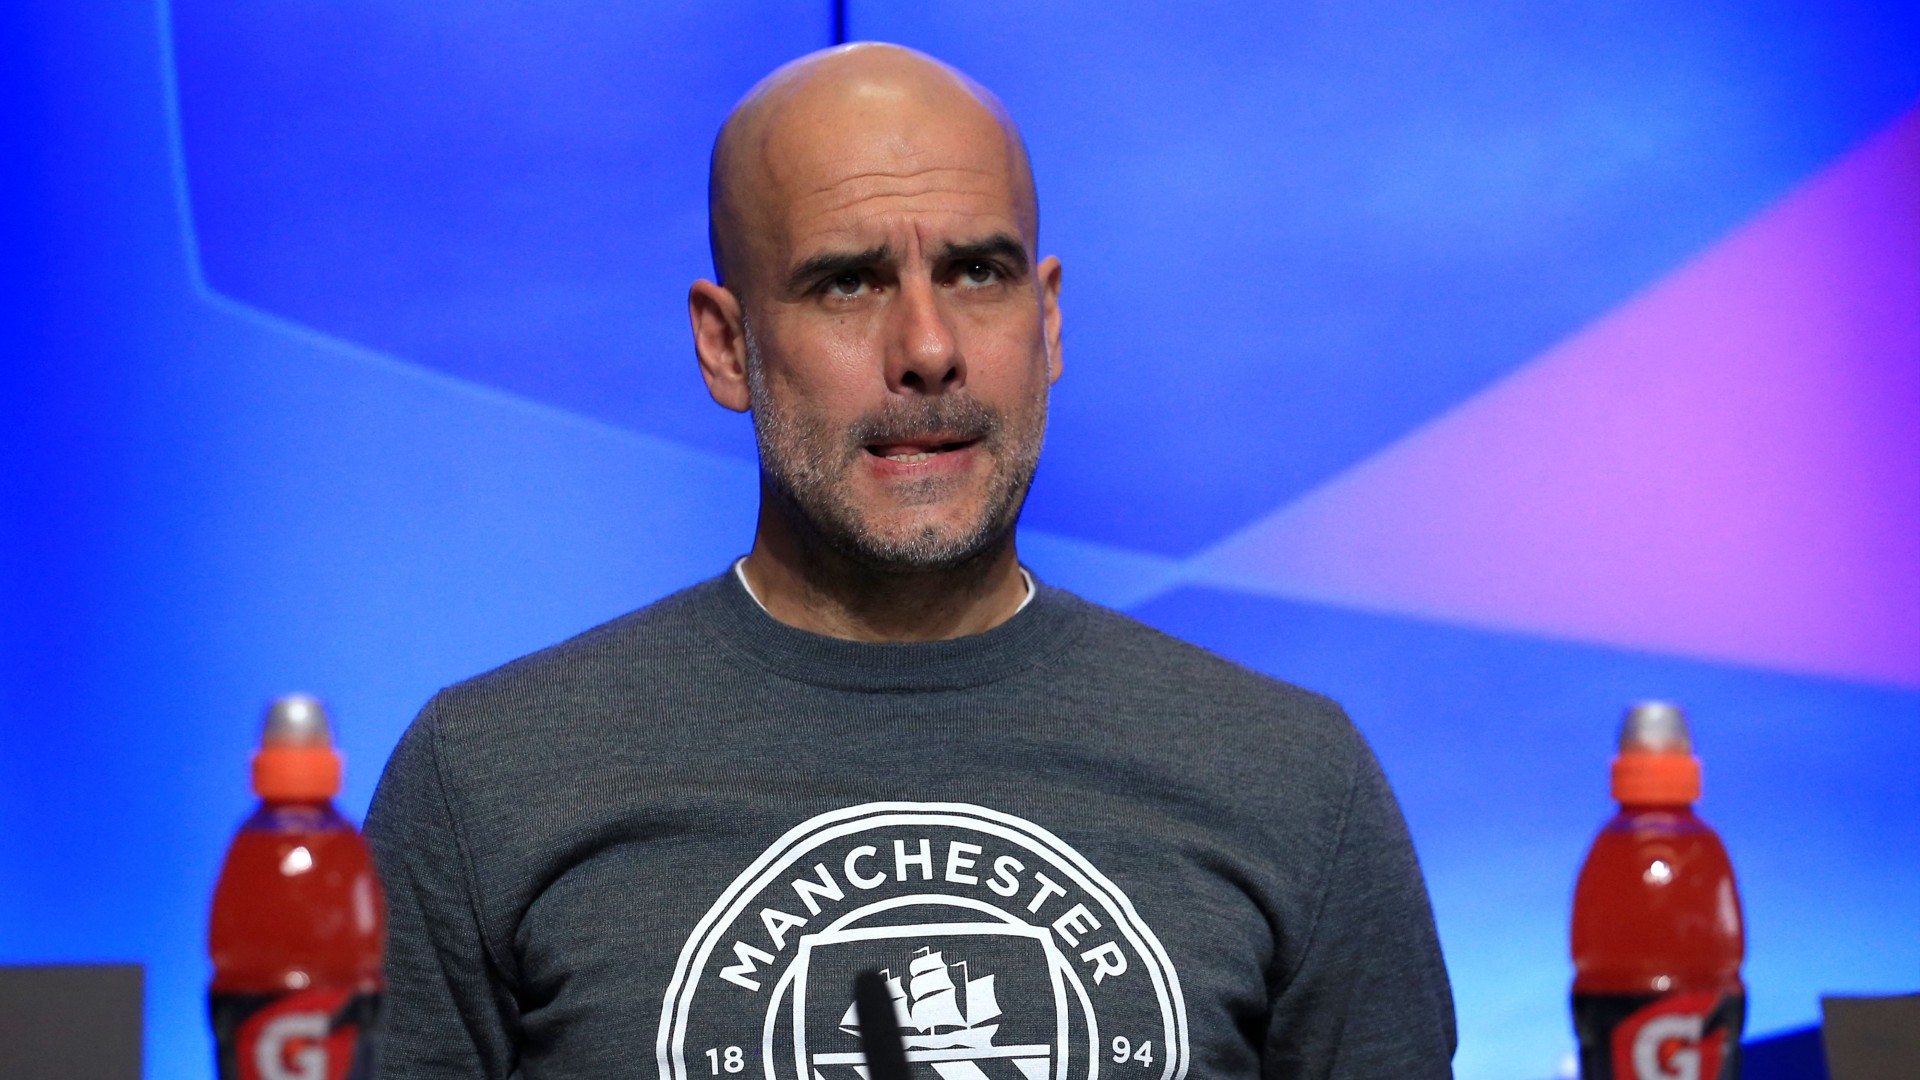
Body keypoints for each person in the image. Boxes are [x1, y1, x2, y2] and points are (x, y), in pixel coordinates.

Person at [366, 42, 1456, 1080]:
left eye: (978, 273)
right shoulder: (488, 779)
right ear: (726, 345)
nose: (929, 351)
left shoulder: (1291, 777)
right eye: (848, 283)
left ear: (1049, 320)